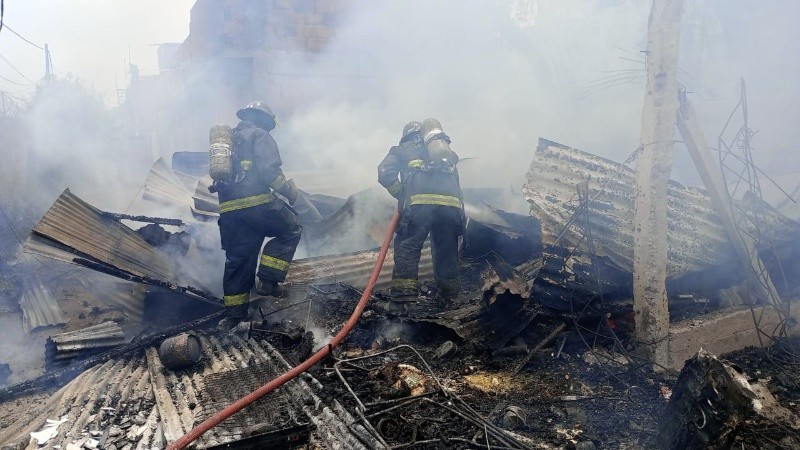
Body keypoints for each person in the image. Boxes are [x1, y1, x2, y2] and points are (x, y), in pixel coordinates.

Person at [215, 101, 303, 323]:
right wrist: (288, 191)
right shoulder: (259, 135)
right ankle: (268, 280)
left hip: (229, 215)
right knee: (292, 227)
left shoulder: (228, 141)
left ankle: (235, 318)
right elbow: (269, 172)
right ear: (263, 119)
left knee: (238, 262)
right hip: (258, 206)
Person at [377, 119, 464, 304]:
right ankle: (450, 295)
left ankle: (404, 296)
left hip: (419, 205)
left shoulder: (401, 150)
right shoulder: (446, 153)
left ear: (406, 136)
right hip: (451, 206)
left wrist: (400, 193)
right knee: (446, 250)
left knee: (408, 246)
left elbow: (385, 173)